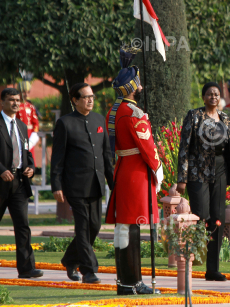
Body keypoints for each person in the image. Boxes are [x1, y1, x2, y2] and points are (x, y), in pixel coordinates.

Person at [105, 47, 163, 295]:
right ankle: (134, 282)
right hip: (137, 174)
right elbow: (148, 149)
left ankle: (124, 282)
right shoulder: (134, 113)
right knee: (134, 227)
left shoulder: (113, 111)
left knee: (124, 227)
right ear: (132, 88)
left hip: (122, 171)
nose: (141, 87)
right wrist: (158, 169)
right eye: (138, 84)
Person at [177, 82, 230, 281]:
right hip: (198, 173)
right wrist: (182, 178)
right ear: (203, 97)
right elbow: (184, 147)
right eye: (209, 94)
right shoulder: (194, 116)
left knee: (218, 217)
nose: (213, 97)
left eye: (216, 94)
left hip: (221, 172)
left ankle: (212, 269)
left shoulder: (224, 118)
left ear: (220, 97)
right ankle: (191, 258)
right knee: (202, 215)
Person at [51, 82, 114, 284]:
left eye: (92, 97)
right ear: (75, 100)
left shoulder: (98, 119)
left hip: (95, 184)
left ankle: (70, 259)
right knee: (83, 227)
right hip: (75, 186)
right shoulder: (65, 123)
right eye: (86, 97)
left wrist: (113, 183)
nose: (90, 100)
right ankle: (89, 270)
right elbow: (57, 158)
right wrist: (56, 185)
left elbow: (106, 155)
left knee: (95, 226)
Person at [0, 88, 42, 279]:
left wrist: (31, 167)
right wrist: (1, 170)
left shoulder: (22, 126)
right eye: (11, 100)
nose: (15, 103)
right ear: (2, 103)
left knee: (23, 226)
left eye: (17, 100)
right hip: (0, 182)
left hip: (18, 183)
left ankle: (26, 268)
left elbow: (27, 152)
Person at [16, 82, 40, 160]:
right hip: (19, 133)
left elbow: (35, 122)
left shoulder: (31, 106)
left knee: (30, 156)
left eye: (27, 92)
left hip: (30, 134)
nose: (25, 94)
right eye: (23, 92)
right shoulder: (16, 106)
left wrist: (34, 135)